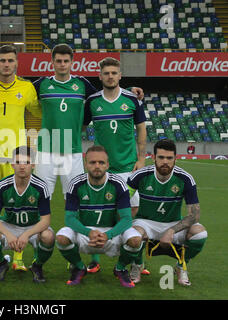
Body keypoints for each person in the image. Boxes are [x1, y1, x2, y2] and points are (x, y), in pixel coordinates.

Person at [33, 45, 144, 273]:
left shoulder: (83, 85)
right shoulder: (41, 83)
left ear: (72, 62)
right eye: (58, 60)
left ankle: (84, 256)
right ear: (52, 62)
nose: (62, 64)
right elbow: (15, 87)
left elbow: (108, 90)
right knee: (40, 202)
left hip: (73, 152)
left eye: (66, 60)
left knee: (78, 203)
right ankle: (37, 258)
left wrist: (132, 90)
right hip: (45, 151)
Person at [0, 45, 42, 271]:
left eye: (10, 60)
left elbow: (40, 111)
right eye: (2, 60)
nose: (6, 64)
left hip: (16, 158)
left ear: (16, 63)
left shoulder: (27, 88)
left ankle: (19, 259)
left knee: (18, 205)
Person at [84, 56, 147, 273]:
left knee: (132, 213)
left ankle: (136, 260)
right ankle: (94, 260)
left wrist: (141, 159)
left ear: (120, 75)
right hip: (101, 170)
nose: (110, 76)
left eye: (114, 73)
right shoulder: (92, 101)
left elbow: (141, 129)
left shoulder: (132, 99)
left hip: (128, 168)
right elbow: (80, 126)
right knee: (96, 213)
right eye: (106, 73)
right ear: (100, 76)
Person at [56, 145, 143, 287]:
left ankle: (120, 269)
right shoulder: (76, 184)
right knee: (61, 238)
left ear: (108, 165)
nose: (97, 166)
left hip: (111, 232)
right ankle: (79, 267)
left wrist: (108, 235)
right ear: (86, 164)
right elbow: (69, 218)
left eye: (101, 162)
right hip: (85, 232)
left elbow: (127, 219)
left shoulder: (118, 184)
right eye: (92, 162)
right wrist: (89, 232)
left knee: (135, 240)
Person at [126, 139, 207, 286]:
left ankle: (181, 265)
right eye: (161, 157)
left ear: (175, 158)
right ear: (153, 158)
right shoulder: (140, 175)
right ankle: (137, 264)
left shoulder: (185, 178)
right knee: (133, 235)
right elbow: (123, 202)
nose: (165, 162)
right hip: (145, 223)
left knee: (200, 233)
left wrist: (171, 230)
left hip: (173, 224)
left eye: (169, 158)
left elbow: (194, 215)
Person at [0, 146, 54, 283]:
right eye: (18, 162)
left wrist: (26, 235)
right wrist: (8, 234)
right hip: (9, 225)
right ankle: (1, 263)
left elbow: (46, 220)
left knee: (48, 236)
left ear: (33, 165)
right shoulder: (2, 185)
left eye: (27, 163)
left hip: (32, 227)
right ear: (12, 164)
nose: (22, 166)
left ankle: (37, 266)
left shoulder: (41, 186)